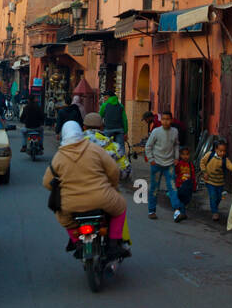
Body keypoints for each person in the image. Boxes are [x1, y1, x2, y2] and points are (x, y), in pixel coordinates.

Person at [43, 121, 128, 258]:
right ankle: (113, 244)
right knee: (121, 207)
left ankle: (77, 243)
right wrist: (112, 186)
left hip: (70, 205)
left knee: (63, 217)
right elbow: (113, 171)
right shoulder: (95, 149)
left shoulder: (59, 157)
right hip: (101, 199)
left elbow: (47, 183)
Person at [143, 110, 181, 219]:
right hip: (156, 164)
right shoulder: (156, 131)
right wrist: (151, 159)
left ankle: (177, 210)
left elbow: (176, 145)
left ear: (171, 120)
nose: (165, 121)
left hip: (169, 164)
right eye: (163, 119)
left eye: (168, 119)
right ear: (161, 120)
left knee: (172, 187)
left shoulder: (175, 132)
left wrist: (176, 158)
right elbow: (148, 146)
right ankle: (151, 211)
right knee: (154, 188)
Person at [201, 137, 232, 221]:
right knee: (213, 196)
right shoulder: (209, 155)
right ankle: (214, 212)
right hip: (209, 180)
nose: (222, 153)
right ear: (216, 149)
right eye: (220, 151)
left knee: (219, 197)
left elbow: (231, 166)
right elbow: (202, 162)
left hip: (219, 183)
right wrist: (204, 172)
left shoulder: (225, 160)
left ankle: (214, 207)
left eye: (224, 151)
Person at [172, 145, 196, 222]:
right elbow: (174, 172)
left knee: (186, 200)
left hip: (188, 186)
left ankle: (181, 212)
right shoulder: (179, 164)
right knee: (181, 199)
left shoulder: (190, 165)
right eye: (183, 154)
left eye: (187, 154)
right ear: (180, 155)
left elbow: (193, 176)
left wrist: (194, 186)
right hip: (180, 185)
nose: (185, 156)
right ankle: (182, 213)